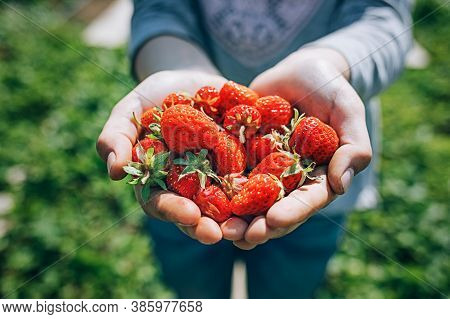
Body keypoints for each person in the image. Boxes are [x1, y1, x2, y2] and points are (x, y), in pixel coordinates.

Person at [96, 0, 412, 298]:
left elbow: (384, 17)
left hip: (319, 202)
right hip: (184, 201)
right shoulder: (196, 157)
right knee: (193, 287)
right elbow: (159, 8)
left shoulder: (269, 147)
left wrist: (328, 65)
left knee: (286, 293)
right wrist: (170, 65)